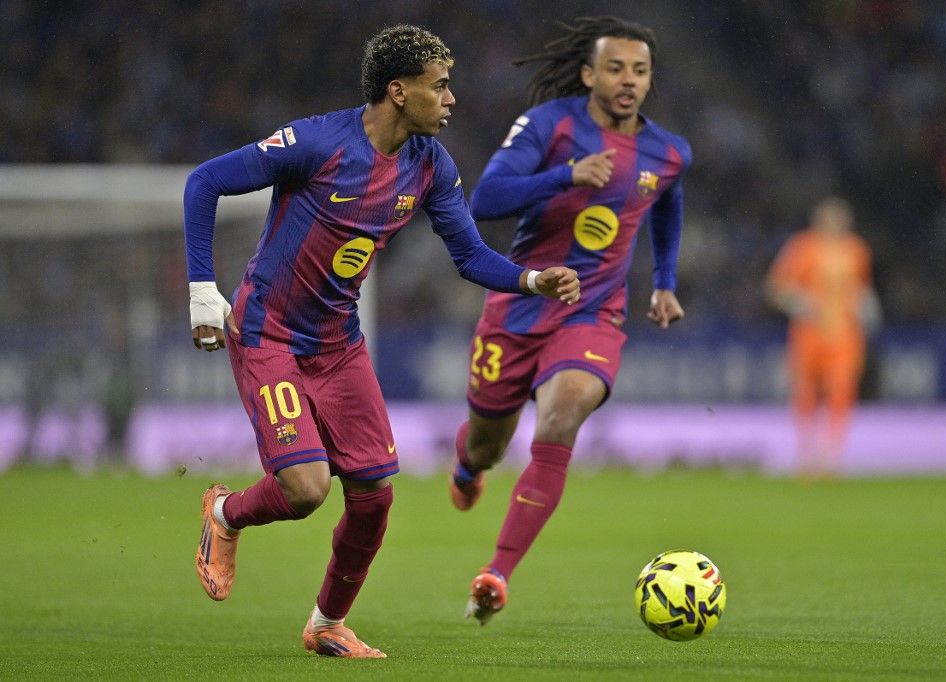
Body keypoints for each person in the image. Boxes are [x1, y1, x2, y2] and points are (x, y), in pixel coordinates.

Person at [184, 25, 580, 659]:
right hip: (270, 336)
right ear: (399, 92)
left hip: (339, 345)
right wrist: (203, 287)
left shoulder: (430, 165)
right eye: (440, 86)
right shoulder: (315, 143)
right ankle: (226, 514)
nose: (451, 98)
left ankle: (325, 625)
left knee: (374, 496)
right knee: (308, 489)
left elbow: (471, 255)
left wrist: (532, 278)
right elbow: (203, 181)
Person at [447, 16, 691, 625]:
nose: (628, 80)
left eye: (639, 70)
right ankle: (469, 465)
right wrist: (566, 176)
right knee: (487, 443)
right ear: (589, 74)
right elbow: (487, 200)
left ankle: (496, 573)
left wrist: (663, 282)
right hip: (520, 302)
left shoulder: (667, 151)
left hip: (593, 310)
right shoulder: (550, 125)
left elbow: (666, 199)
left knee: (563, 414)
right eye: (615, 68)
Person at [765, 197, 880, 479]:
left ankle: (832, 455)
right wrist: (801, 305)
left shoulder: (856, 250)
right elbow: (776, 288)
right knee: (806, 394)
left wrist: (868, 309)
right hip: (809, 334)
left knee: (841, 391)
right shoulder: (802, 247)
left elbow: (861, 289)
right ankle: (806, 452)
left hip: (845, 335)